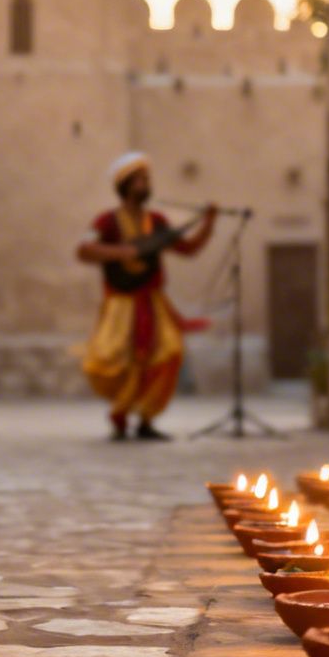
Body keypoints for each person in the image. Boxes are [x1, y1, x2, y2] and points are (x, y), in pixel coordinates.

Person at [77, 152, 216, 441]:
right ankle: (120, 417)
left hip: (153, 302)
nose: (145, 185)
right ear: (126, 185)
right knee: (120, 360)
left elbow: (189, 249)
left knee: (167, 354)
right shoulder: (108, 221)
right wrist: (123, 252)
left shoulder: (157, 221)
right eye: (140, 180)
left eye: (146, 180)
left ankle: (146, 418)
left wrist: (209, 222)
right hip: (120, 304)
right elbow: (85, 250)